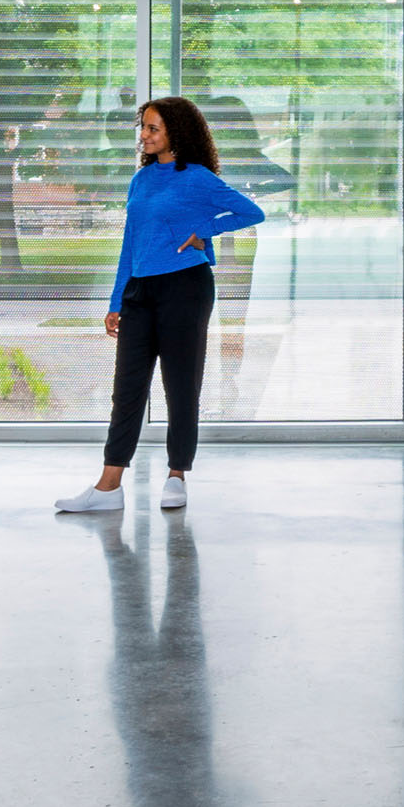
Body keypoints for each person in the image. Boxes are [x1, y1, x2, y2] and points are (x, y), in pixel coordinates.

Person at [55, 97, 264, 516]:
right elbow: (130, 244)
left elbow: (250, 211)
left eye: (153, 128)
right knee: (127, 389)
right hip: (140, 291)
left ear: (176, 133)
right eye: (144, 128)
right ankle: (109, 485)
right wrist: (117, 300)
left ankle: (176, 475)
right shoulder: (142, 179)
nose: (144, 136)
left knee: (180, 385)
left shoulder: (198, 178)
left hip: (185, 288)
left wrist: (205, 230)